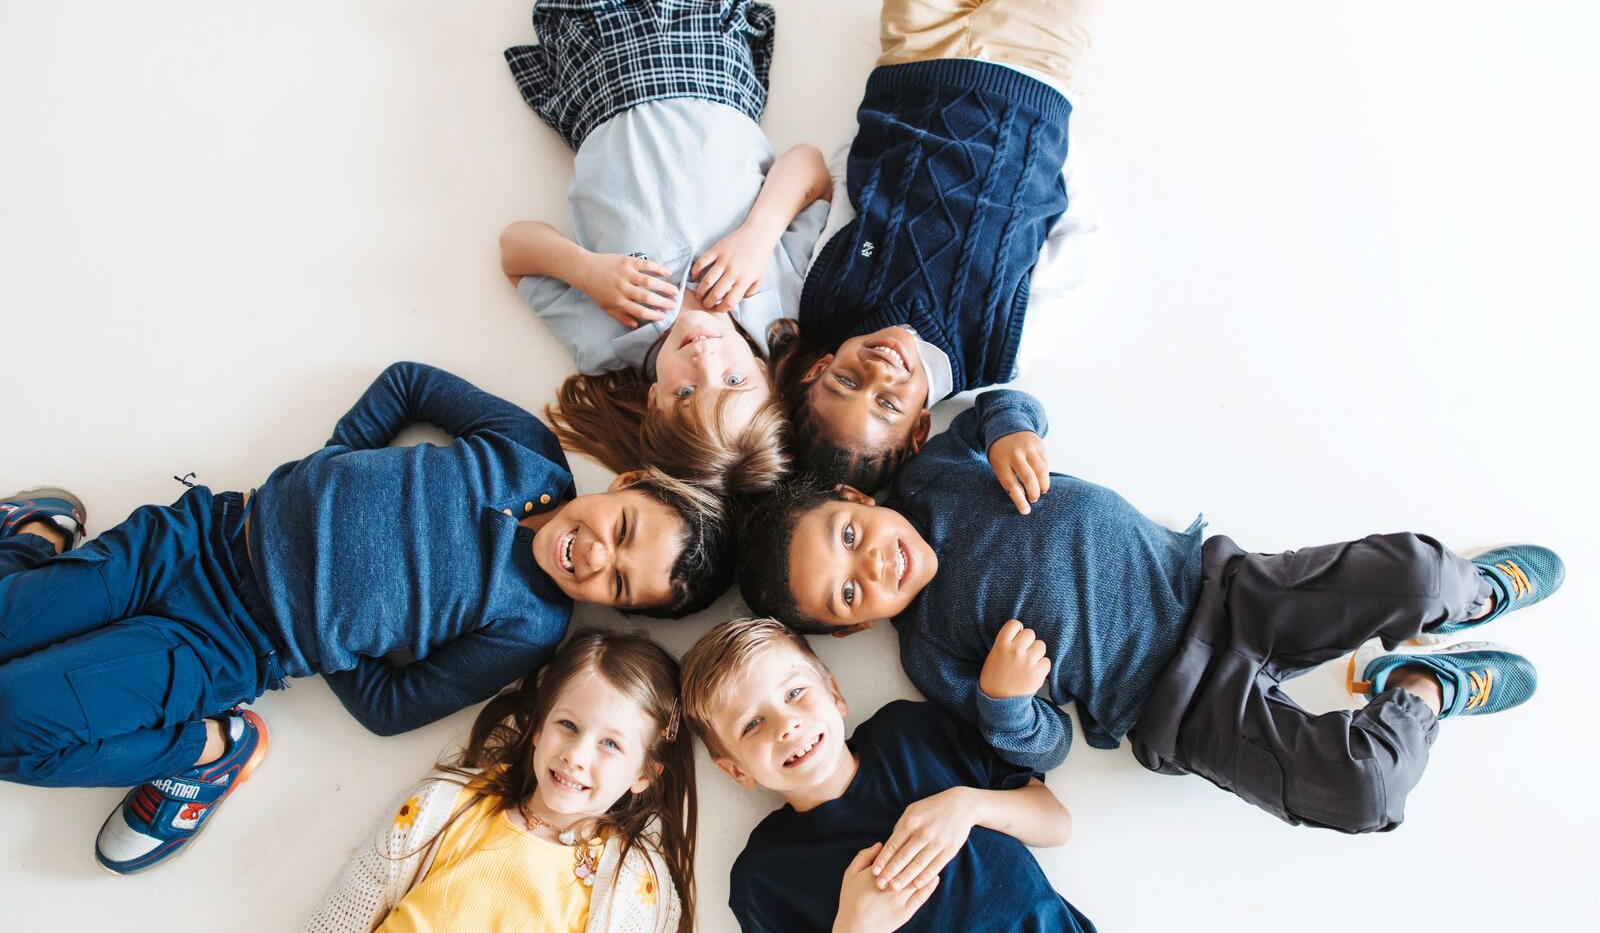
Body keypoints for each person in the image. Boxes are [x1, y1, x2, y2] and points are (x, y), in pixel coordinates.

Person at [0, 361, 727, 874]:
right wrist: (334, 464)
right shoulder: (528, 454)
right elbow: (409, 382)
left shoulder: (531, 624)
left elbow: (391, 706)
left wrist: (322, 630)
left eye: (620, 584)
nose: (598, 556)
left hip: (221, 644)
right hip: (197, 533)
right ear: (627, 482)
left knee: (10, 722)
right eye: (624, 527)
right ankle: (30, 540)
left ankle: (207, 751)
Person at [735, 389, 1563, 833]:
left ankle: (1468, 598)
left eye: (849, 533)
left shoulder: (934, 475)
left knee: (1417, 576)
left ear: (853, 495)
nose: (874, 562)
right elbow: (1047, 746)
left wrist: (1009, 434)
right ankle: (1423, 684)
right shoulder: (930, 650)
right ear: (850, 626)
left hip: (1223, 590)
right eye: (849, 591)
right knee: (1360, 788)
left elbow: (1000, 401)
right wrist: (1005, 699)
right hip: (1179, 707)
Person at [774, 0, 1139, 494]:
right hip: (1035, 71)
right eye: (888, 403)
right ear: (920, 428)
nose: (878, 374)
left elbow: (841, 183)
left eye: (847, 383)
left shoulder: (824, 298)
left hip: (915, 54)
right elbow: (1080, 244)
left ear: (818, 371)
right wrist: (1046, 143)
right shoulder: (1000, 351)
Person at [500, 0, 832, 494]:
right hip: (706, 54)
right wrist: (758, 235)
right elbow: (810, 166)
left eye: (686, 391)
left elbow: (514, 249)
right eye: (734, 381)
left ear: (653, 403)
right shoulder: (782, 303)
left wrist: (583, 269)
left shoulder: (608, 342)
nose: (706, 360)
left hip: (600, 75)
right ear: (770, 382)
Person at [680, 618, 1091, 933]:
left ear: (835, 695)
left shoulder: (910, 732)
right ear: (736, 770)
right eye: (752, 724)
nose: (786, 725)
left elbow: (1058, 823)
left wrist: (968, 805)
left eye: (794, 693)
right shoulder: (764, 875)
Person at [305, 628, 694, 933]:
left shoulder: (636, 885)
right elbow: (342, 915)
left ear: (644, 773)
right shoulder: (441, 808)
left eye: (610, 743)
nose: (576, 755)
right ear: (539, 728)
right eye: (568, 725)